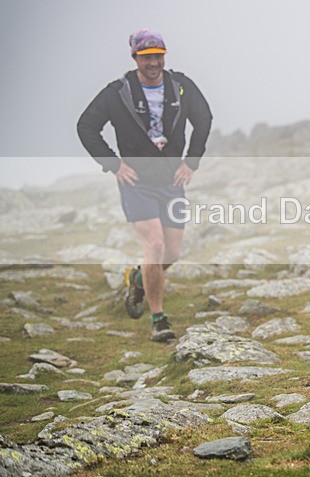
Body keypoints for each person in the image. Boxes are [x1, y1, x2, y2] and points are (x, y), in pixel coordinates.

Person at [77, 28, 212, 342]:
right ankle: (159, 319)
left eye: (158, 56)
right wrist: (113, 164)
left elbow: (203, 119)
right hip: (136, 181)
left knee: (173, 252)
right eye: (147, 57)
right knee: (154, 245)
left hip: (170, 180)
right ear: (135, 57)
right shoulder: (118, 92)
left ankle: (136, 278)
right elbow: (86, 126)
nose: (153, 62)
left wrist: (191, 161)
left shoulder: (181, 86)